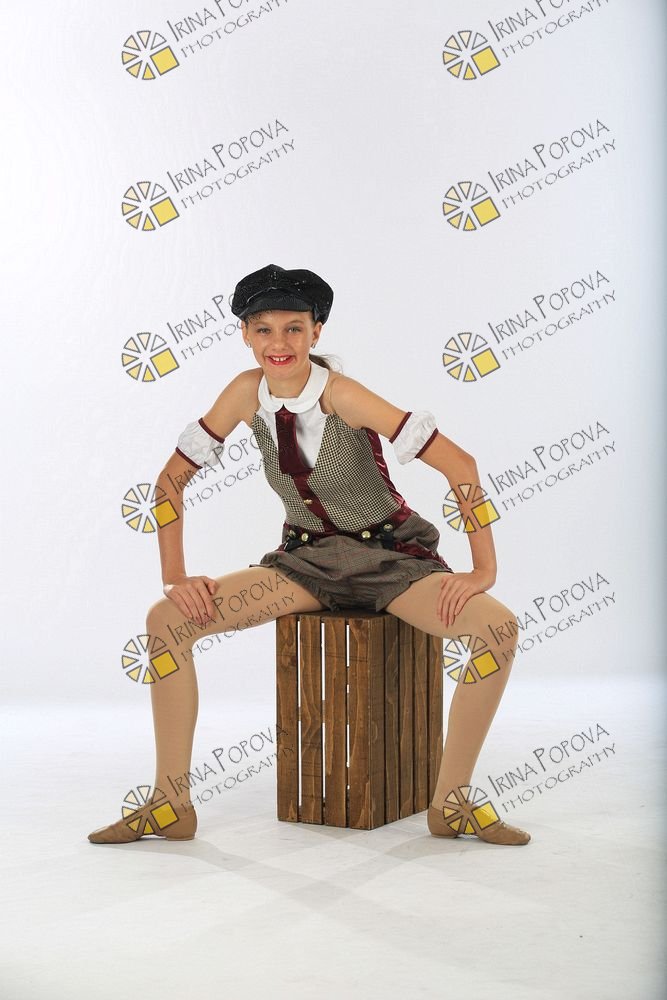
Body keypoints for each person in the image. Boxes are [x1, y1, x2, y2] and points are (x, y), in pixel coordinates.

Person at [88, 264, 529, 847]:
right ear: (245, 335)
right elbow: (170, 482)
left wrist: (484, 569)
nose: (279, 343)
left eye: (294, 328)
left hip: (390, 560)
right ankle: (170, 805)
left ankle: (451, 803)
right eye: (264, 329)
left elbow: (460, 464)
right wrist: (175, 576)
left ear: (316, 332)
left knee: (497, 631)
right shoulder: (244, 393)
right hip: (306, 563)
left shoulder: (343, 395)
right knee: (166, 622)